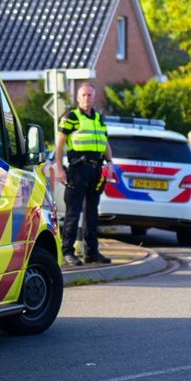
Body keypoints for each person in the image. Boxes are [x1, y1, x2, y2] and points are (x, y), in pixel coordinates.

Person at [54, 83, 113, 266]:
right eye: (84, 95)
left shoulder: (99, 119)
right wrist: (59, 167)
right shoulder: (71, 117)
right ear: (78, 98)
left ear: (94, 97)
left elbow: (105, 143)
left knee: (92, 213)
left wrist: (110, 162)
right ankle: (67, 252)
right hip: (78, 169)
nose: (87, 99)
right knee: (73, 211)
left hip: (96, 169)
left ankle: (91, 252)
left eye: (90, 95)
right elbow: (60, 143)